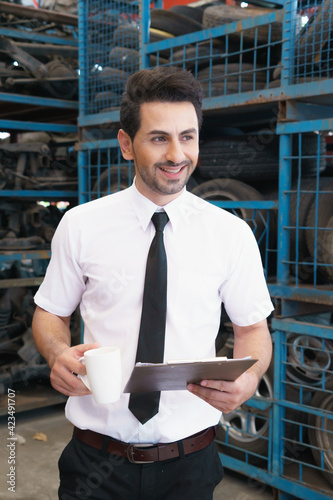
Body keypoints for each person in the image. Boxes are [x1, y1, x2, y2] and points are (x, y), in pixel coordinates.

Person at [32, 65, 273, 500]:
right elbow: (51, 311)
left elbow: (253, 330)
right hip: (95, 462)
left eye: (188, 136)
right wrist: (57, 352)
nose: (177, 155)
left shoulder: (229, 233)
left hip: (191, 464)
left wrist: (249, 378)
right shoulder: (81, 225)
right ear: (126, 144)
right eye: (159, 138)